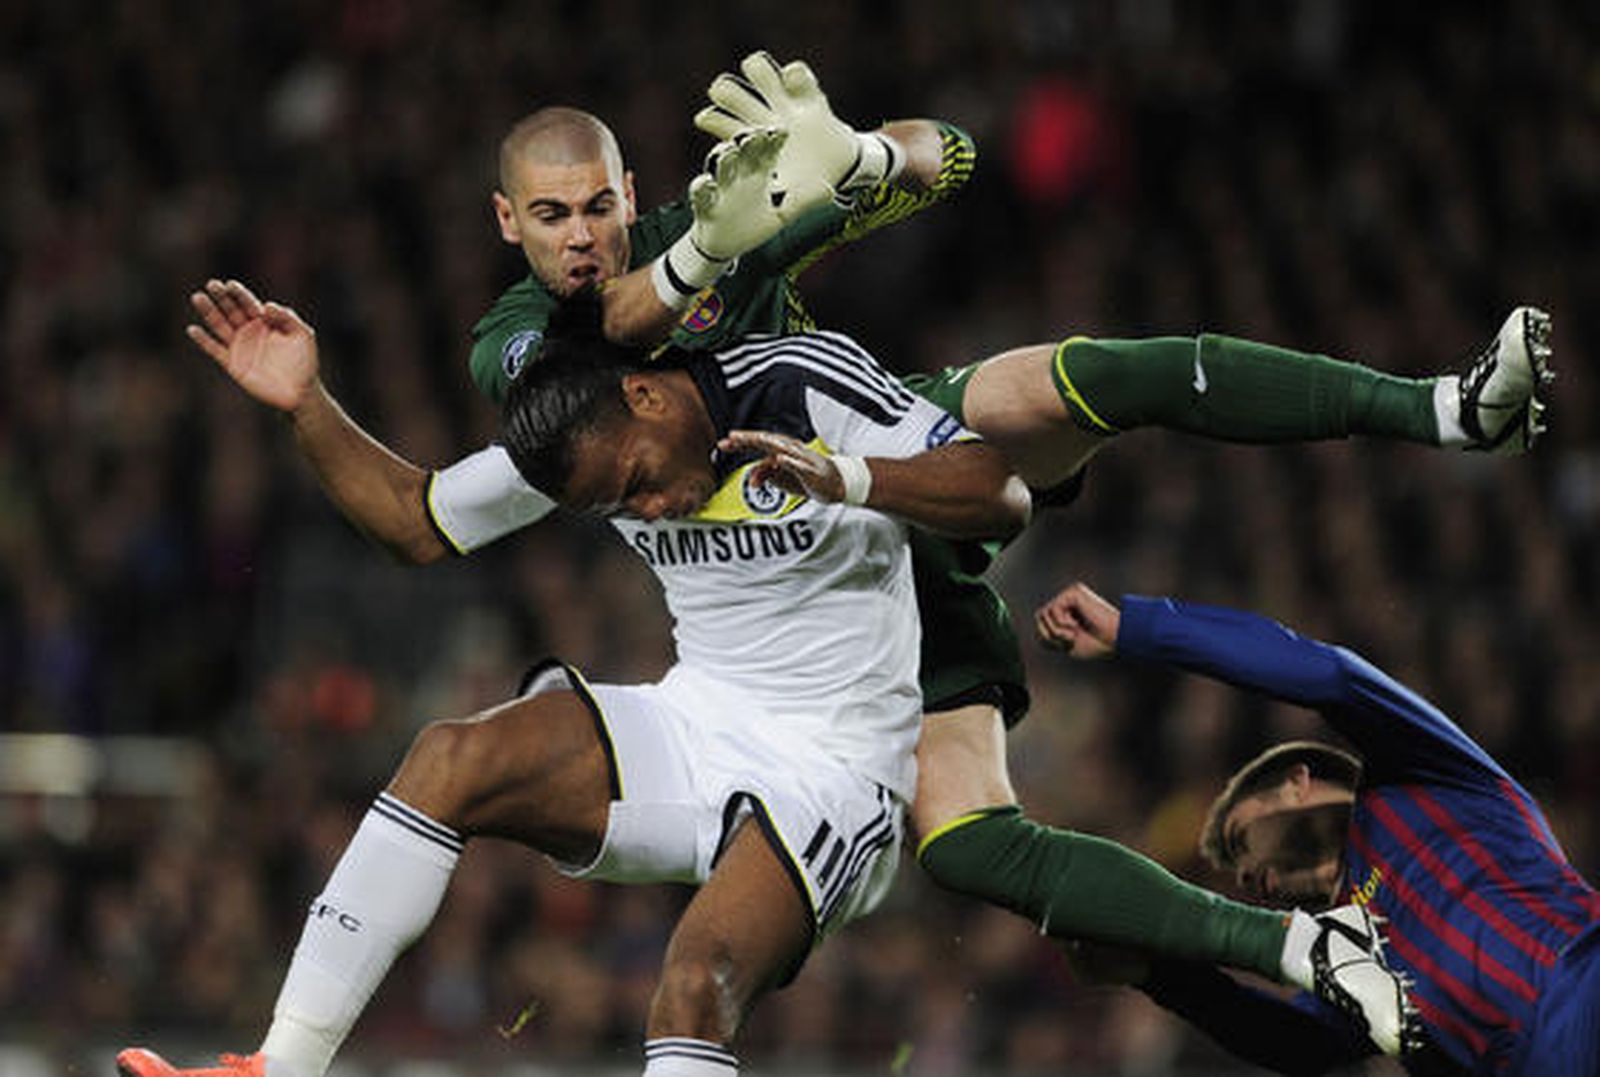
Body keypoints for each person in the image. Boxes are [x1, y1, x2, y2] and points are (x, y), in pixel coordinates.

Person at [461, 52, 1550, 1064]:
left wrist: (861, 158)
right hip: (847, 634)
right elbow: (605, 333)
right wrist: (714, 248)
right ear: (510, 221)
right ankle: (1298, 944)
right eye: (552, 215)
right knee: (965, 841)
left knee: (1061, 381)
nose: (581, 236)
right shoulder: (519, 336)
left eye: (599, 205)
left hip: (879, 478)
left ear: (626, 188)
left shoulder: (715, 216)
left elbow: (956, 155)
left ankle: (1446, 410)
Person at [119, 277, 1419, 1076]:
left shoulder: (797, 382)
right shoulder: (584, 439)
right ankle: (277, 1067)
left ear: (650, 394)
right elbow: (412, 520)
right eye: (615, 508)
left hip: (840, 765)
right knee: (443, 757)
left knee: (689, 987)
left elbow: (996, 493)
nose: (646, 505)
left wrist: (847, 476)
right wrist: (301, 402)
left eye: (635, 479)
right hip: (702, 717)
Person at [1035, 581, 1600, 1076]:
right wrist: (1156, 976)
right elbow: (1300, 1046)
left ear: (1295, 783)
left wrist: (1137, 629)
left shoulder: (1431, 777)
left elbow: (1330, 674)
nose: (1247, 875)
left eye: (1239, 840)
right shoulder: (1343, 953)